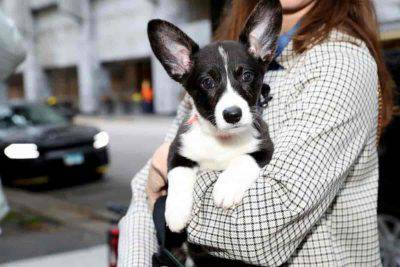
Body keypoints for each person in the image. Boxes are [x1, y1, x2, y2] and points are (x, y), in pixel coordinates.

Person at [118, 0, 394, 265]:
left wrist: (174, 186)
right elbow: (144, 191)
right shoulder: (220, 56)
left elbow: (264, 229)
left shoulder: (340, 64)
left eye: (247, 78)